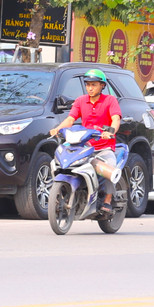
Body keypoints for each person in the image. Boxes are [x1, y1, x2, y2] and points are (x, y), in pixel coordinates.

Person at [47, 68, 122, 211]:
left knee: (109, 169)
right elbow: (70, 119)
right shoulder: (80, 101)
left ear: (102, 86)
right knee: (61, 161)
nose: (90, 88)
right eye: (88, 84)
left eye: (94, 84)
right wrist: (58, 129)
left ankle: (107, 200)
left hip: (104, 147)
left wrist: (110, 132)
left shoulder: (110, 100)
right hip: (85, 145)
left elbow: (115, 119)